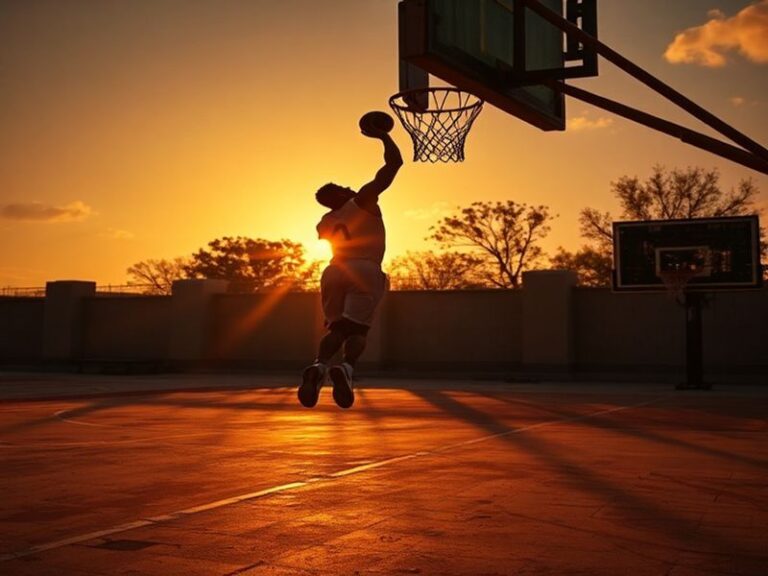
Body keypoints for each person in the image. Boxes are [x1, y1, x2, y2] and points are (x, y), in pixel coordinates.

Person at [298, 119, 403, 409]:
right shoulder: (362, 200)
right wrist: (383, 137)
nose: (349, 186)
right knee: (357, 331)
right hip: (364, 270)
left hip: (333, 271)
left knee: (335, 328)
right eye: (344, 187)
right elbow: (394, 165)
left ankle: (318, 366)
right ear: (342, 194)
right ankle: (346, 368)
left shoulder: (324, 221)